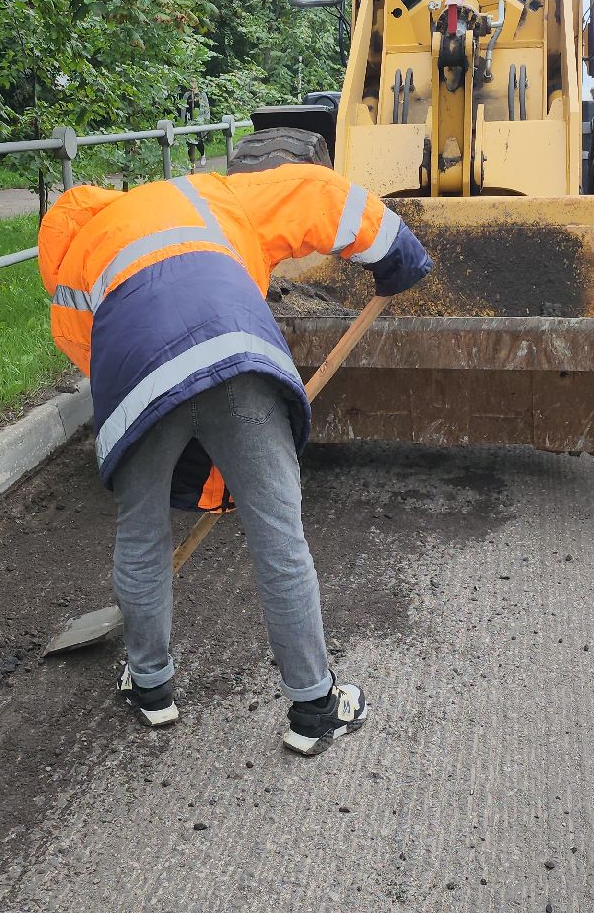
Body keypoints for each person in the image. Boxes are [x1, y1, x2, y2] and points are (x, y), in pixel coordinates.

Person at [37, 164, 432, 755]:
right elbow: (319, 197)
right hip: (236, 351)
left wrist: (177, 434)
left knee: (140, 532)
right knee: (279, 535)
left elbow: (91, 351)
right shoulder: (207, 195)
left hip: (140, 384)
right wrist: (396, 252)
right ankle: (313, 710)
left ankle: (151, 690)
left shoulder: (74, 268)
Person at [178, 83, 212, 171]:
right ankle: (192, 163)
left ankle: (202, 154)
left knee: (198, 140)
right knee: (189, 142)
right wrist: (182, 121)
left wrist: (206, 120)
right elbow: (183, 109)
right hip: (189, 121)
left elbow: (206, 107)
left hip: (199, 121)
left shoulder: (202, 94)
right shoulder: (187, 95)